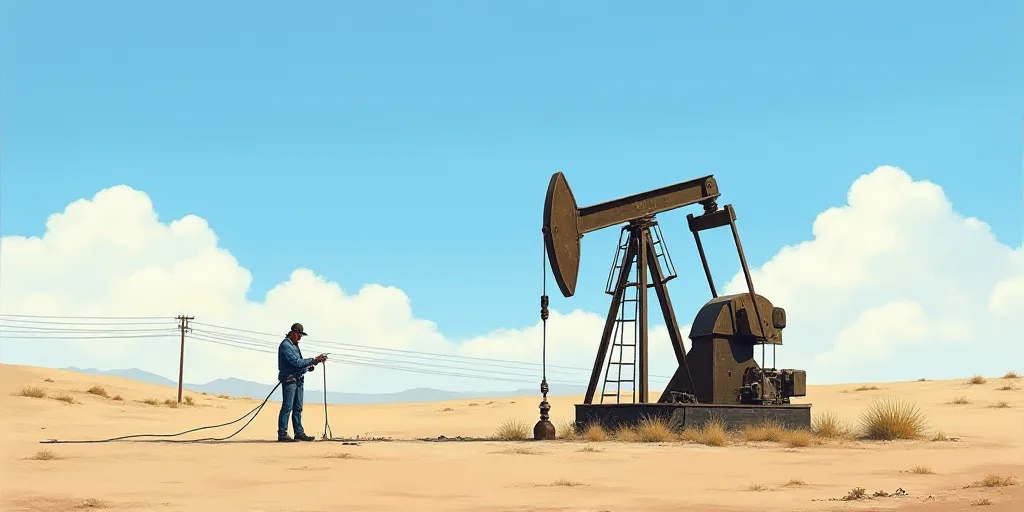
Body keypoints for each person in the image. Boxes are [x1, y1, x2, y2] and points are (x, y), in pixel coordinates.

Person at [277, 322, 327, 442]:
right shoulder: (285, 345)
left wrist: (310, 365)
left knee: (298, 408)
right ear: (293, 333)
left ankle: (299, 432)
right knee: (287, 407)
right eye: (299, 334)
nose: (300, 337)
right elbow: (296, 362)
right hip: (289, 379)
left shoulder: (294, 345)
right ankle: (282, 434)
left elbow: (300, 364)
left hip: (298, 379)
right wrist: (313, 360)